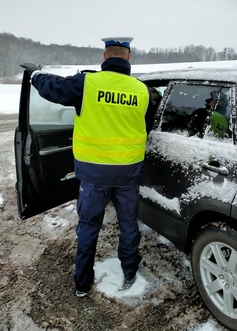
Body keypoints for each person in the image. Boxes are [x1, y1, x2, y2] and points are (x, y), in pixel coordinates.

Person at [21, 37, 156, 297]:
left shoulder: (87, 84)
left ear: (105, 57)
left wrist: (35, 74)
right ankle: (129, 271)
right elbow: (146, 126)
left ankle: (82, 283)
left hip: (94, 176)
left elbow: (52, 89)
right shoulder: (142, 90)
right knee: (128, 225)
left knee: (88, 227)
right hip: (128, 173)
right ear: (128, 58)